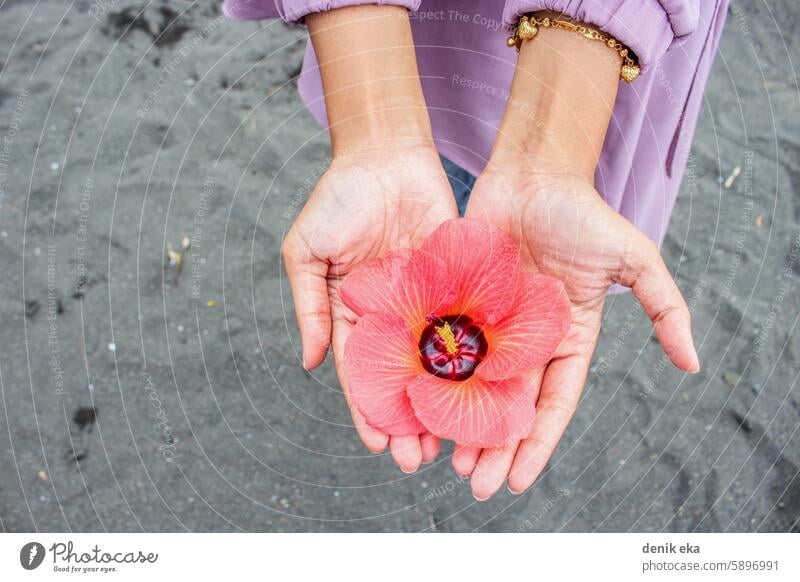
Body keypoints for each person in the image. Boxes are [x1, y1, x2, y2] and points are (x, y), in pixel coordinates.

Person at [223, 0, 727, 500]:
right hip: (414, 52)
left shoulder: (462, 342)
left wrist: (550, 156)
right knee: (442, 202)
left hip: (578, 99)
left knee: (466, 210)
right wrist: (374, 130)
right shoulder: (442, 337)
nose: (447, 341)